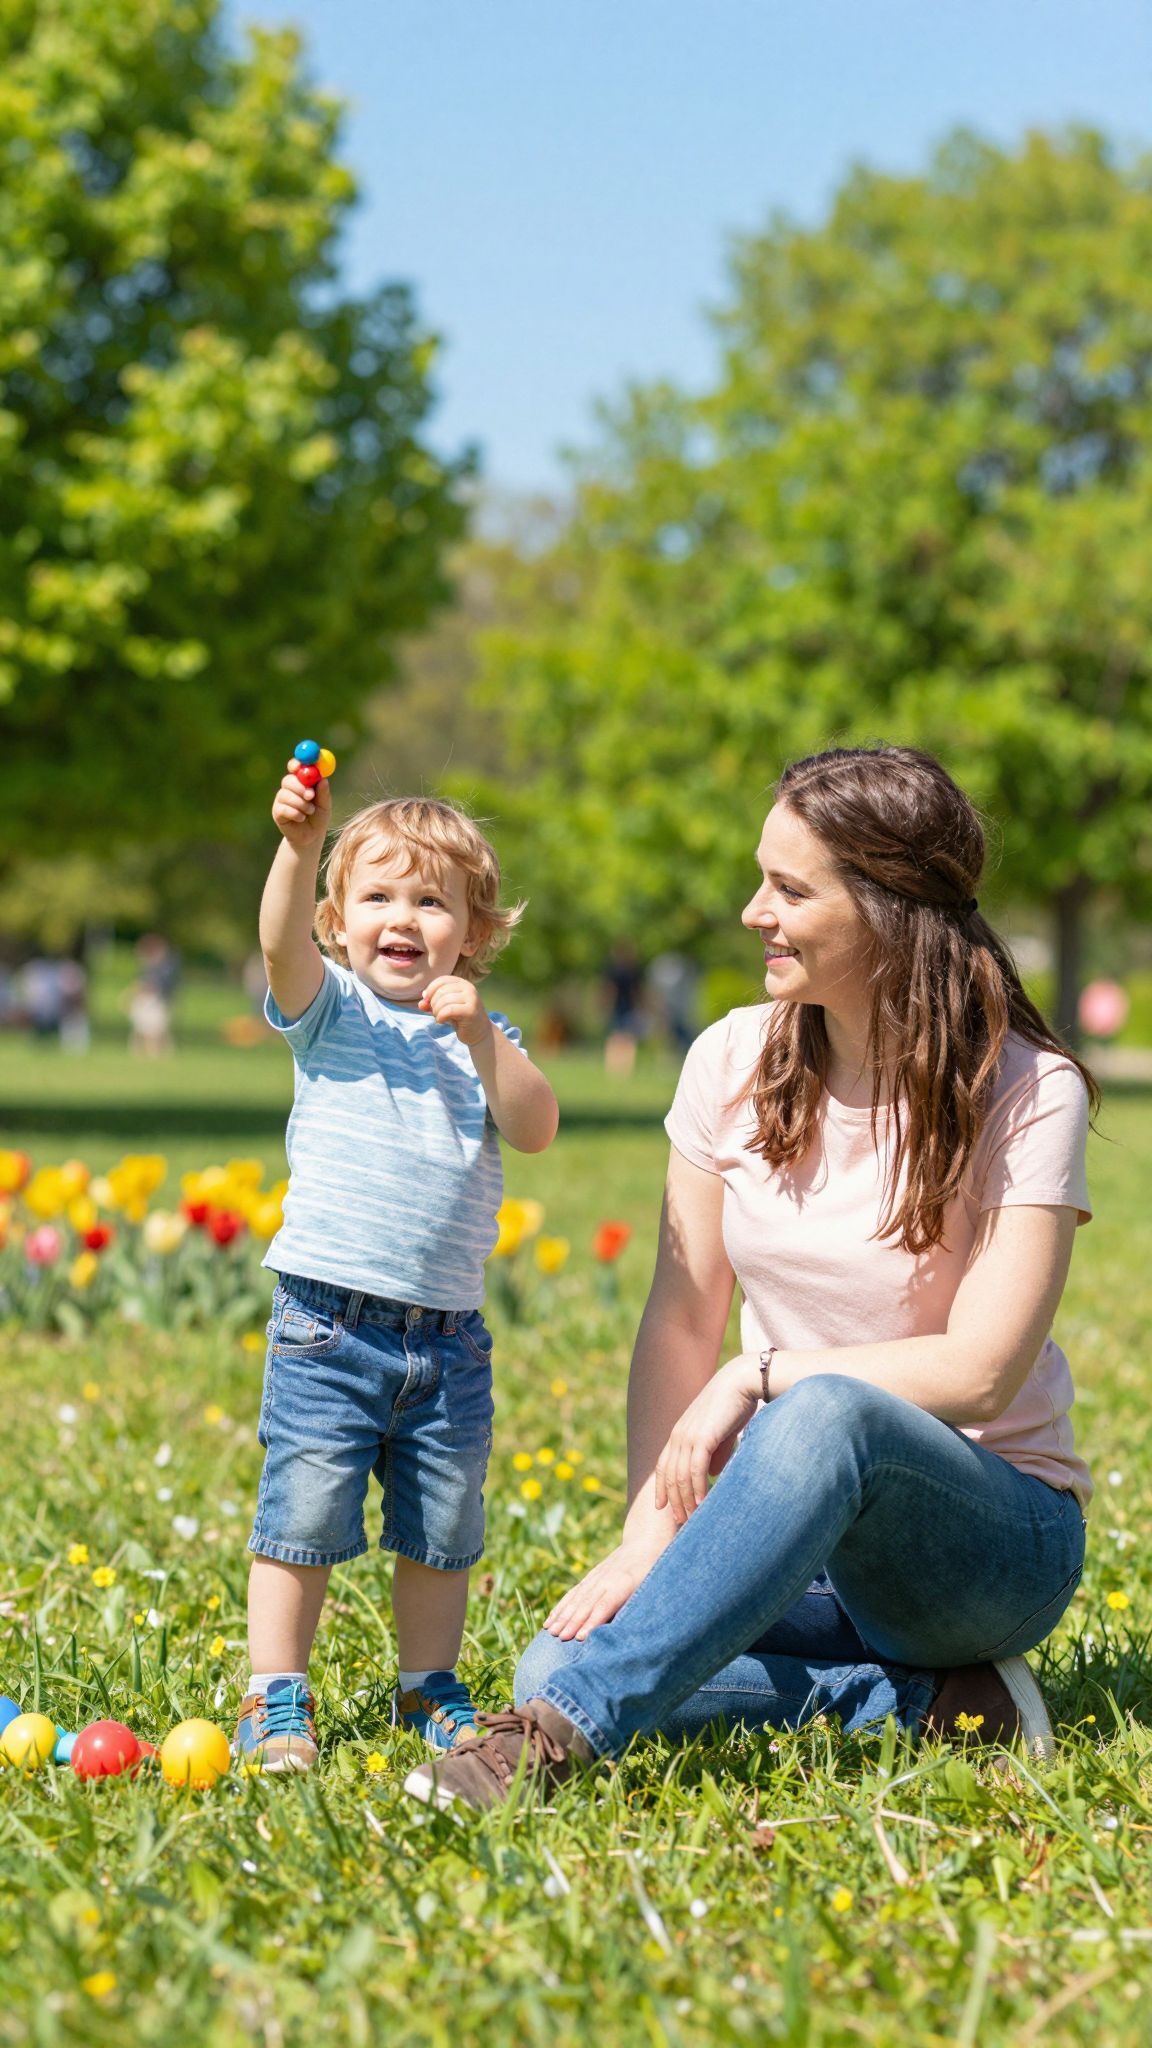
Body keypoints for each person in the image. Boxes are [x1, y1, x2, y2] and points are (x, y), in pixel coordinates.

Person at [404, 744, 1097, 1813]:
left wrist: (763, 1374)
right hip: (795, 1529)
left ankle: (545, 1747)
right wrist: (650, 1533)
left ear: (890, 905)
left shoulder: (1026, 1088)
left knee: (824, 1411)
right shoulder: (730, 1058)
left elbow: (983, 1370)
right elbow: (683, 1315)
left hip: (980, 1548)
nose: (750, 912)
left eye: (788, 887)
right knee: (555, 1659)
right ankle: (940, 1706)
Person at [237, 765, 559, 1773]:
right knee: (301, 1513)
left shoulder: (484, 1037)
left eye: (432, 900)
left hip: (448, 1338)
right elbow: (276, 941)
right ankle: (275, 1694)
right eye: (376, 896)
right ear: (340, 920)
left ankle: (428, 1685)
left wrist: (476, 1037)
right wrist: (298, 848)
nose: (403, 917)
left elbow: (538, 1126)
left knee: (443, 1527)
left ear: (476, 929)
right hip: (328, 1326)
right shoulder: (330, 1010)